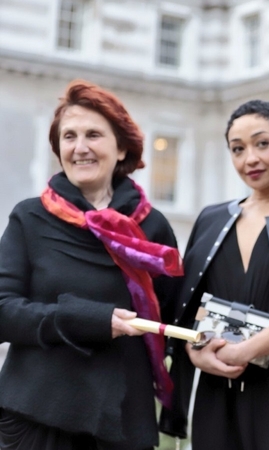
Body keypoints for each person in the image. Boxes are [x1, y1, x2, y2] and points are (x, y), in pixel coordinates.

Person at [0, 80, 182, 449]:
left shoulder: (153, 226)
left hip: (123, 424)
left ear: (121, 147)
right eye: (69, 137)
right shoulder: (30, 218)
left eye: (93, 135)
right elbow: (3, 311)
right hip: (38, 419)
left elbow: (174, 321)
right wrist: (88, 320)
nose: (80, 148)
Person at [158, 100, 269, 450]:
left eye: (262, 144)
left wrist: (245, 351)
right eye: (237, 149)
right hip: (214, 392)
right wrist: (196, 351)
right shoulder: (211, 219)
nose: (250, 159)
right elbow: (188, 307)